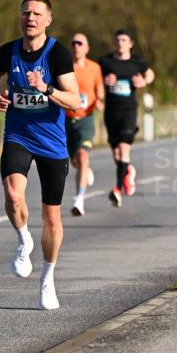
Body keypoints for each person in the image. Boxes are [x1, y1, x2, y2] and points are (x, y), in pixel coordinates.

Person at [0, 0, 80, 310]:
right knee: (13, 194)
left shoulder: (58, 55)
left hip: (52, 142)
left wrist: (46, 88)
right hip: (19, 135)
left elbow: (75, 101)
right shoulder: (7, 52)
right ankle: (23, 237)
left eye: (38, 14)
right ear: (20, 17)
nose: (31, 18)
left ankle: (48, 279)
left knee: (52, 217)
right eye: (26, 13)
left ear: (48, 20)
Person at [98, 29, 155, 207]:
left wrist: (144, 81)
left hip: (129, 110)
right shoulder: (105, 61)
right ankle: (128, 170)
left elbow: (151, 73)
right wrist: (104, 81)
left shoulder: (137, 62)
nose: (120, 43)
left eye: (124, 40)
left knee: (124, 149)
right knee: (116, 154)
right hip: (111, 111)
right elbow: (95, 78)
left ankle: (117, 189)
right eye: (117, 40)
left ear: (130, 44)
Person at [65, 32, 105, 217]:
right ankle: (85, 169)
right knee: (75, 162)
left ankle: (79, 200)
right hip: (66, 120)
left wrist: (99, 102)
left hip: (86, 120)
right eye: (73, 43)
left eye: (80, 43)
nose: (76, 46)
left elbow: (100, 91)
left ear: (87, 48)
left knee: (82, 156)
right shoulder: (64, 67)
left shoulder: (94, 68)